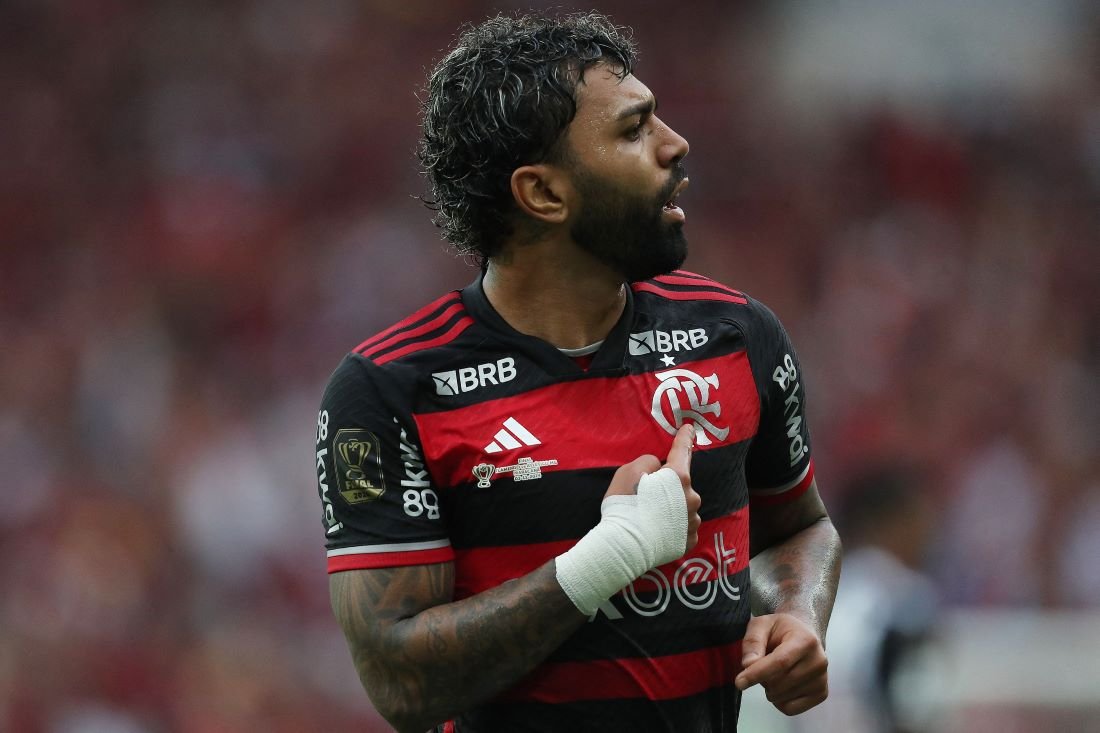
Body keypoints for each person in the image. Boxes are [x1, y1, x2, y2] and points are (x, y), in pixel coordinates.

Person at [314, 12, 841, 732]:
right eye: (633, 130)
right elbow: (402, 682)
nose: (675, 144)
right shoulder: (393, 387)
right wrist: (609, 557)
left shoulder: (737, 336)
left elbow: (799, 528)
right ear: (544, 194)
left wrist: (796, 614)